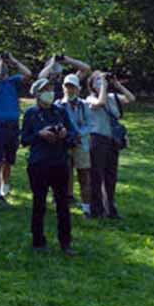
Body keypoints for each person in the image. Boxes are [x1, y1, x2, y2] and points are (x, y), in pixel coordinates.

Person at [21, 78, 79, 255]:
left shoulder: (60, 111)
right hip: (39, 163)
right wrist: (40, 134)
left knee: (63, 204)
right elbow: (24, 139)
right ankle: (38, 241)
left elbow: (73, 133)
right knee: (39, 202)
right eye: (45, 89)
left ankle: (65, 243)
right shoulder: (31, 114)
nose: (49, 92)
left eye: (51, 88)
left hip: (59, 161)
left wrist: (65, 134)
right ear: (37, 94)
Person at [86, 70, 135, 220]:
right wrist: (103, 85)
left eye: (102, 79)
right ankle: (96, 209)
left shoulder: (113, 97)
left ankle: (111, 209)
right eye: (97, 80)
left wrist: (117, 84)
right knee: (96, 175)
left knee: (111, 175)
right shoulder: (90, 99)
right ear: (92, 85)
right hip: (97, 139)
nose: (101, 82)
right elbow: (100, 103)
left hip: (112, 140)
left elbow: (131, 98)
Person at [0, 53, 32, 205]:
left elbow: (28, 74)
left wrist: (13, 60)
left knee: (9, 160)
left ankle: (5, 186)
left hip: (13, 126)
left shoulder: (12, 81)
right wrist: (0, 62)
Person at [57, 73, 95, 216]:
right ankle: (65, 205)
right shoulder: (58, 105)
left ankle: (86, 208)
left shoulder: (84, 105)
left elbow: (90, 124)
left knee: (84, 175)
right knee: (64, 176)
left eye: (72, 87)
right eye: (67, 86)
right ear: (63, 88)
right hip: (64, 145)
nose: (70, 90)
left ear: (78, 89)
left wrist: (78, 134)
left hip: (81, 144)